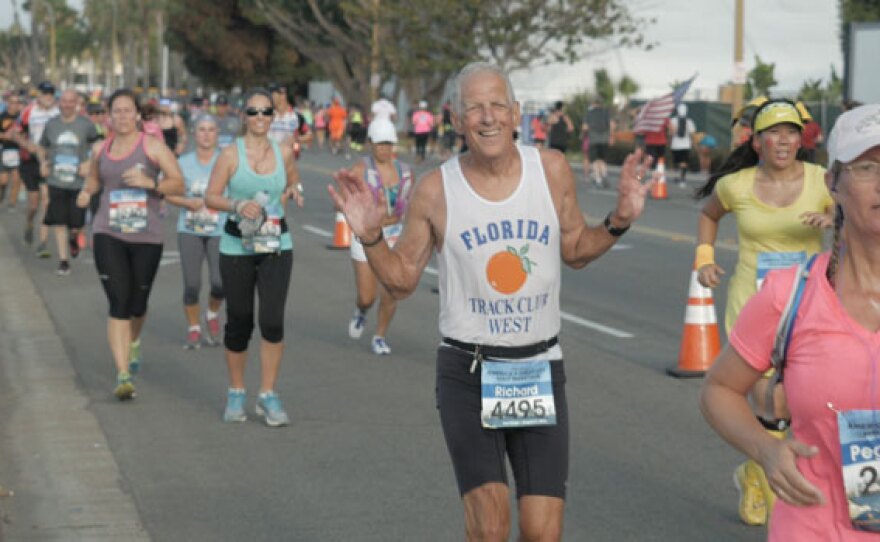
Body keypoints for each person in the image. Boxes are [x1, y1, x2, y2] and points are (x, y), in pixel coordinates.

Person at [329, 61, 655, 541]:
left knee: (543, 531)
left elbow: (576, 251)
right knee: (491, 523)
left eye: (497, 105)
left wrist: (620, 219)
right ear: (456, 121)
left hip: (538, 367)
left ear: (516, 113)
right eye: (474, 108)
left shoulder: (551, 170)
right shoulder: (436, 189)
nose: (487, 117)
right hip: (469, 370)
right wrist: (373, 237)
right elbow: (400, 282)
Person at [701, 103, 880, 540]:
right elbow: (718, 390)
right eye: (868, 167)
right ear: (833, 182)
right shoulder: (789, 296)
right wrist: (764, 449)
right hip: (812, 525)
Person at [693, 98, 834, 526]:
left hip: (809, 302)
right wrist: (704, 259)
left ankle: (755, 469)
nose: (783, 140)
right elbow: (708, 215)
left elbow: (854, 211)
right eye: (774, 132)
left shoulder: (822, 180)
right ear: (757, 142)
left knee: (792, 403)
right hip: (752, 303)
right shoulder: (735, 185)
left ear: (800, 139)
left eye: (792, 132)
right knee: (768, 395)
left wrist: (833, 217)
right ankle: (771, 485)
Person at [76, 89, 185, 400]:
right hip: (107, 231)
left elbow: (178, 182)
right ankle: (123, 373)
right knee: (118, 302)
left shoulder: (152, 146)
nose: (122, 116)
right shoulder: (101, 148)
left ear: (137, 115)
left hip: (146, 235)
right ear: (109, 116)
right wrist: (86, 193)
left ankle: (134, 341)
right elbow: (95, 181)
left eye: (127, 111)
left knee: (138, 304)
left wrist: (151, 183)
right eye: (116, 111)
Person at [204, 88, 304, 427]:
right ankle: (236, 392)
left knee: (273, 321)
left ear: (272, 117)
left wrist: (294, 191)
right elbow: (211, 197)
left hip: (276, 244)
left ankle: (267, 395)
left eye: (265, 112)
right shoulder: (231, 154)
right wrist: (235, 205)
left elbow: (292, 180)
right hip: (237, 247)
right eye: (253, 112)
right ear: (243, 116)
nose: (260, 118)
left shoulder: (285, 151)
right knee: (240, 322)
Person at [346, 119, 413, 355]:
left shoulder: (405, 172)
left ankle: (380, 336)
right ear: (370, 143)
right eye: (379, 143)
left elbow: (411, 204)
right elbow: (348, 200)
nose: (384, 149)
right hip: (366, 234)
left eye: (388, 144)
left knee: (391, 290)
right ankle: (361, 311)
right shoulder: (360, 170)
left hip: (394, 235)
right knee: (367, 296)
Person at [165, 114, 225, 349]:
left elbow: (238, 191)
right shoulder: (183, 163)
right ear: (193, 133)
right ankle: (193, 328)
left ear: (217, 133)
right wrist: (188, 203)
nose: (207, 134)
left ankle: (211, 313)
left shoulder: (225, 161)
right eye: (202, 129)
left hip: (219, 228)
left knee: (220, 282)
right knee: (192, 284)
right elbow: (168, 193)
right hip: (189, 228)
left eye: (211, 129)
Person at [36, 89, 100, 275]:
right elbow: (42, 146)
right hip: (56, 181)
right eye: (64, 101)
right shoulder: (52, 125)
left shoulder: (86, 125)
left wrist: (88, 163)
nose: (67, 104)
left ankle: (74, 237)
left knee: (76, 223)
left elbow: (98, 146)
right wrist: (43, 162)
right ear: (59, 102)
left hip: (78, 183)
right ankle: (63, 260)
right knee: (59, 221)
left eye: (71, 101)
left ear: (77, 103)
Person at [19, 81, 59, 257]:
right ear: (39, 94)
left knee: (46, 201)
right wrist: (27, 145)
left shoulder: (58, 112)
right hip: (31, 162)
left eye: (51, 93)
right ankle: (29, 223)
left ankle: (43, 243)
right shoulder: (29, 111)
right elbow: (17, 133)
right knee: (34, 204)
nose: (48, 96)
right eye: (45, 93)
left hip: (49, 161)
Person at [583, 98, 615, 188]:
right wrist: (611, 136)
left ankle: (598, 179)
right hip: (604, 139)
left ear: (594, 103)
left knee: (595, 160)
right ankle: (604, 174)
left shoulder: (589, 113)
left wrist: (585, 133)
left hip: (593, 139)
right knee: (602, 159)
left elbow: (585, 127)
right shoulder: (606, 112)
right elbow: (611, 124)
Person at [0, 93, 25, 210]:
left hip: (18, 151)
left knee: (16, 179)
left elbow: (26, 133)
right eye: (12, 102)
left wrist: (20, 137)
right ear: (8, 103)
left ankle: (12, 203)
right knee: (3, 181)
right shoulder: (2, 116)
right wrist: (6, 136)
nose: (14, 105)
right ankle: (2, 194)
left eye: (17, 103)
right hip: (4, 150)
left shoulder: (21, 118)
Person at [668, 103, 696, 188]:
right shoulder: (689, 121)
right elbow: (692, 134)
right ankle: (682, 179)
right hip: (686, 145)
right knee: (684, 163)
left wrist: (669, 141)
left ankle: (678, 177)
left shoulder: (673, 120)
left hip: (675, 145)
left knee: (677, 162)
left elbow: (670, 133)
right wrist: (693, 143)